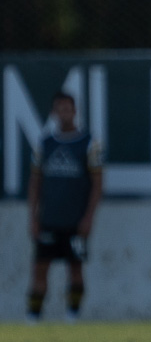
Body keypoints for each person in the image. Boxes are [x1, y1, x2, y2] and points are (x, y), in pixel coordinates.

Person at [27, 91, 103, 323]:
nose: (64, 113)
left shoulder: (89, 143)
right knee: (40, 269)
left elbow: (97, 184)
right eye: (59, 109)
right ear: (53, 112)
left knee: (76, 269)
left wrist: (89, 217)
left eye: (68, 108)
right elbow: (35, 182)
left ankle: (73, 317)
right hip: (49, 219)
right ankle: (33, 317)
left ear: (75, 111)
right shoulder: (45, 144)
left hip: (75, 220)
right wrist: (33, 217)